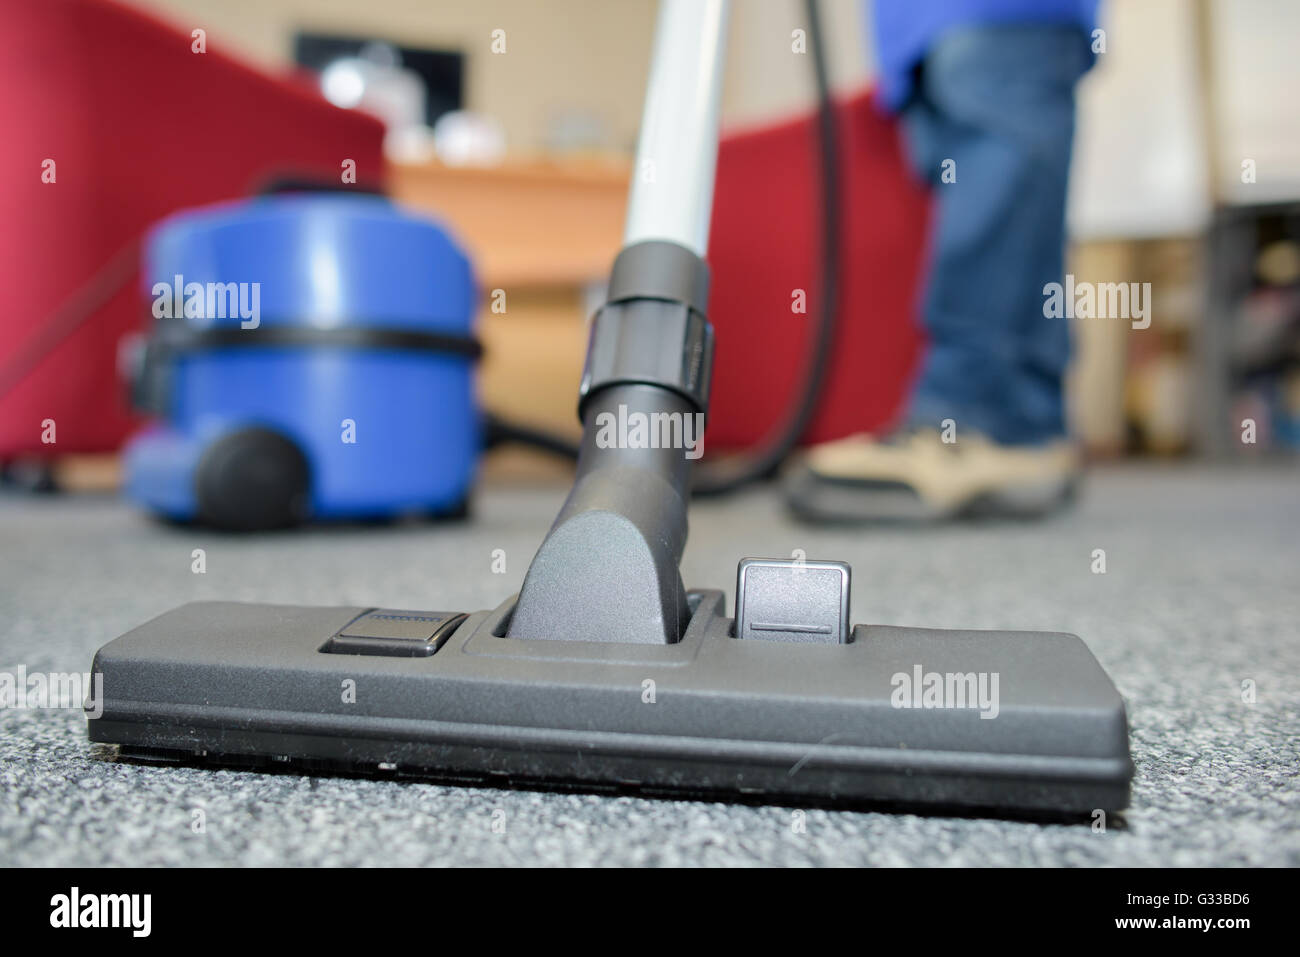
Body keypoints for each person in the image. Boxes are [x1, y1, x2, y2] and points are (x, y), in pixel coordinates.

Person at [788, 0, 1100, 521]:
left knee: (995, 197)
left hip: (997, 16)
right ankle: (1021, 430)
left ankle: (973, 416)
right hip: (921, 33)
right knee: (1001, 209)